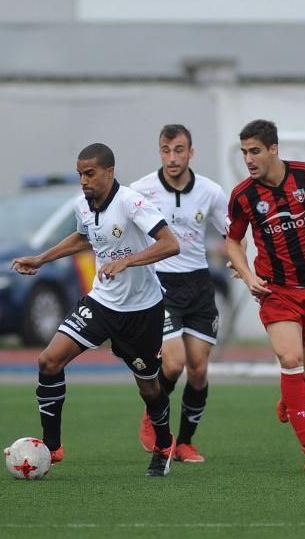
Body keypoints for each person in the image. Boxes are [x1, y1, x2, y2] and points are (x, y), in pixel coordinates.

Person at [11, 143, 181, 476]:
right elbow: (84, 237)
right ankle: (52, 447)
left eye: (90, 173)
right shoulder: (83, 205)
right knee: (49, 360)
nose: (84, 181)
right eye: (80, 175)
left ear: (109, 171)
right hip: (102, 302)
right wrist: (42, 259)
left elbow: (170, 243)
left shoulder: (131, 202)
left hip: (142, 310)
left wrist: (127, 261)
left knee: (148, 387)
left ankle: (163, 444)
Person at [224, 119, 305, 474]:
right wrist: (248, 275)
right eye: (243, 152)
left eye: (254, 151)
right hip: (276, 290)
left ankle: (291, 396)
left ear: (273, 149)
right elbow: (232, 241)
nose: (248, 159)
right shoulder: (243, 195)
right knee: (289, 356)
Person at [130, 124, 229, 464]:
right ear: (159, 150)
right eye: (166, 150)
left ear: (191, 152)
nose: (172, 158)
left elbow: (232, 232)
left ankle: (184, 442)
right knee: (173, 363)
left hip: (199, 285)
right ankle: (152, 416)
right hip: (161, 285)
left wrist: (241, 263)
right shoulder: (140, 191)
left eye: (179, 150)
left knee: (199, 369)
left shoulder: (211, 192)